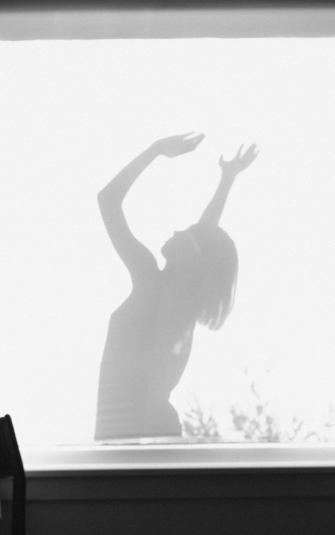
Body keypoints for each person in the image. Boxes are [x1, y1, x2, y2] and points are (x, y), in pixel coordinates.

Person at [94, 133, 258, 441]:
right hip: (132, 433)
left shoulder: (164, 293)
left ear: (196, 257)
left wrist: (155, 151)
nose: (177, 229)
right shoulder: (166, 292)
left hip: (138, 435)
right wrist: (226, 179)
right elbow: (204, 236)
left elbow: (108, 200)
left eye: (189, 234)